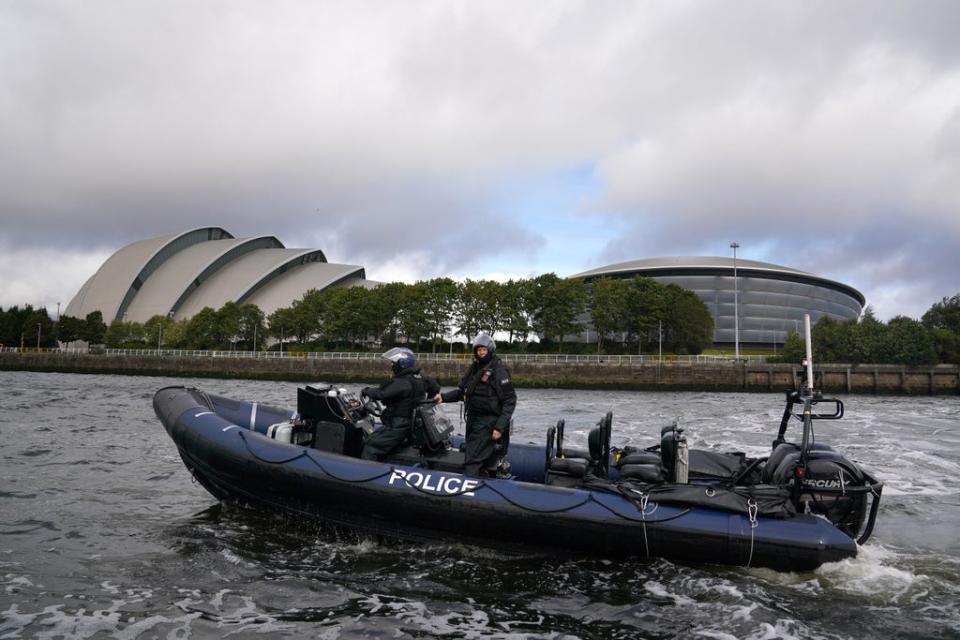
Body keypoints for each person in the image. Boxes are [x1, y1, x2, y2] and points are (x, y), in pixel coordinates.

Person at [437, 332, 517, 477]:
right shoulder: (475, 369)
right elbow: (462, 392)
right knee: (472, 451)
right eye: (478, 350)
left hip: (488, 422)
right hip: (474, 419)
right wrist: (443, 397)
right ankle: (481, 476)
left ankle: (468, 485)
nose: (481, 353)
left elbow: (510, 400)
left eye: (484, 350)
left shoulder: (499, 371)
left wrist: (500, 426)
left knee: (472, 459)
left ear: (490, 350)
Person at [360, 347, 440, 461]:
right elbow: (435, 388)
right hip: (410, 425)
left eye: (393, 362)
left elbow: (381, 394)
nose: (391, 365)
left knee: (370, 446)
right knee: (372, 438)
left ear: (402, 364)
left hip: (399, 426)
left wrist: (366, 390)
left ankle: (364, 473)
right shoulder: (419, 380)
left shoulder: (402, 382)